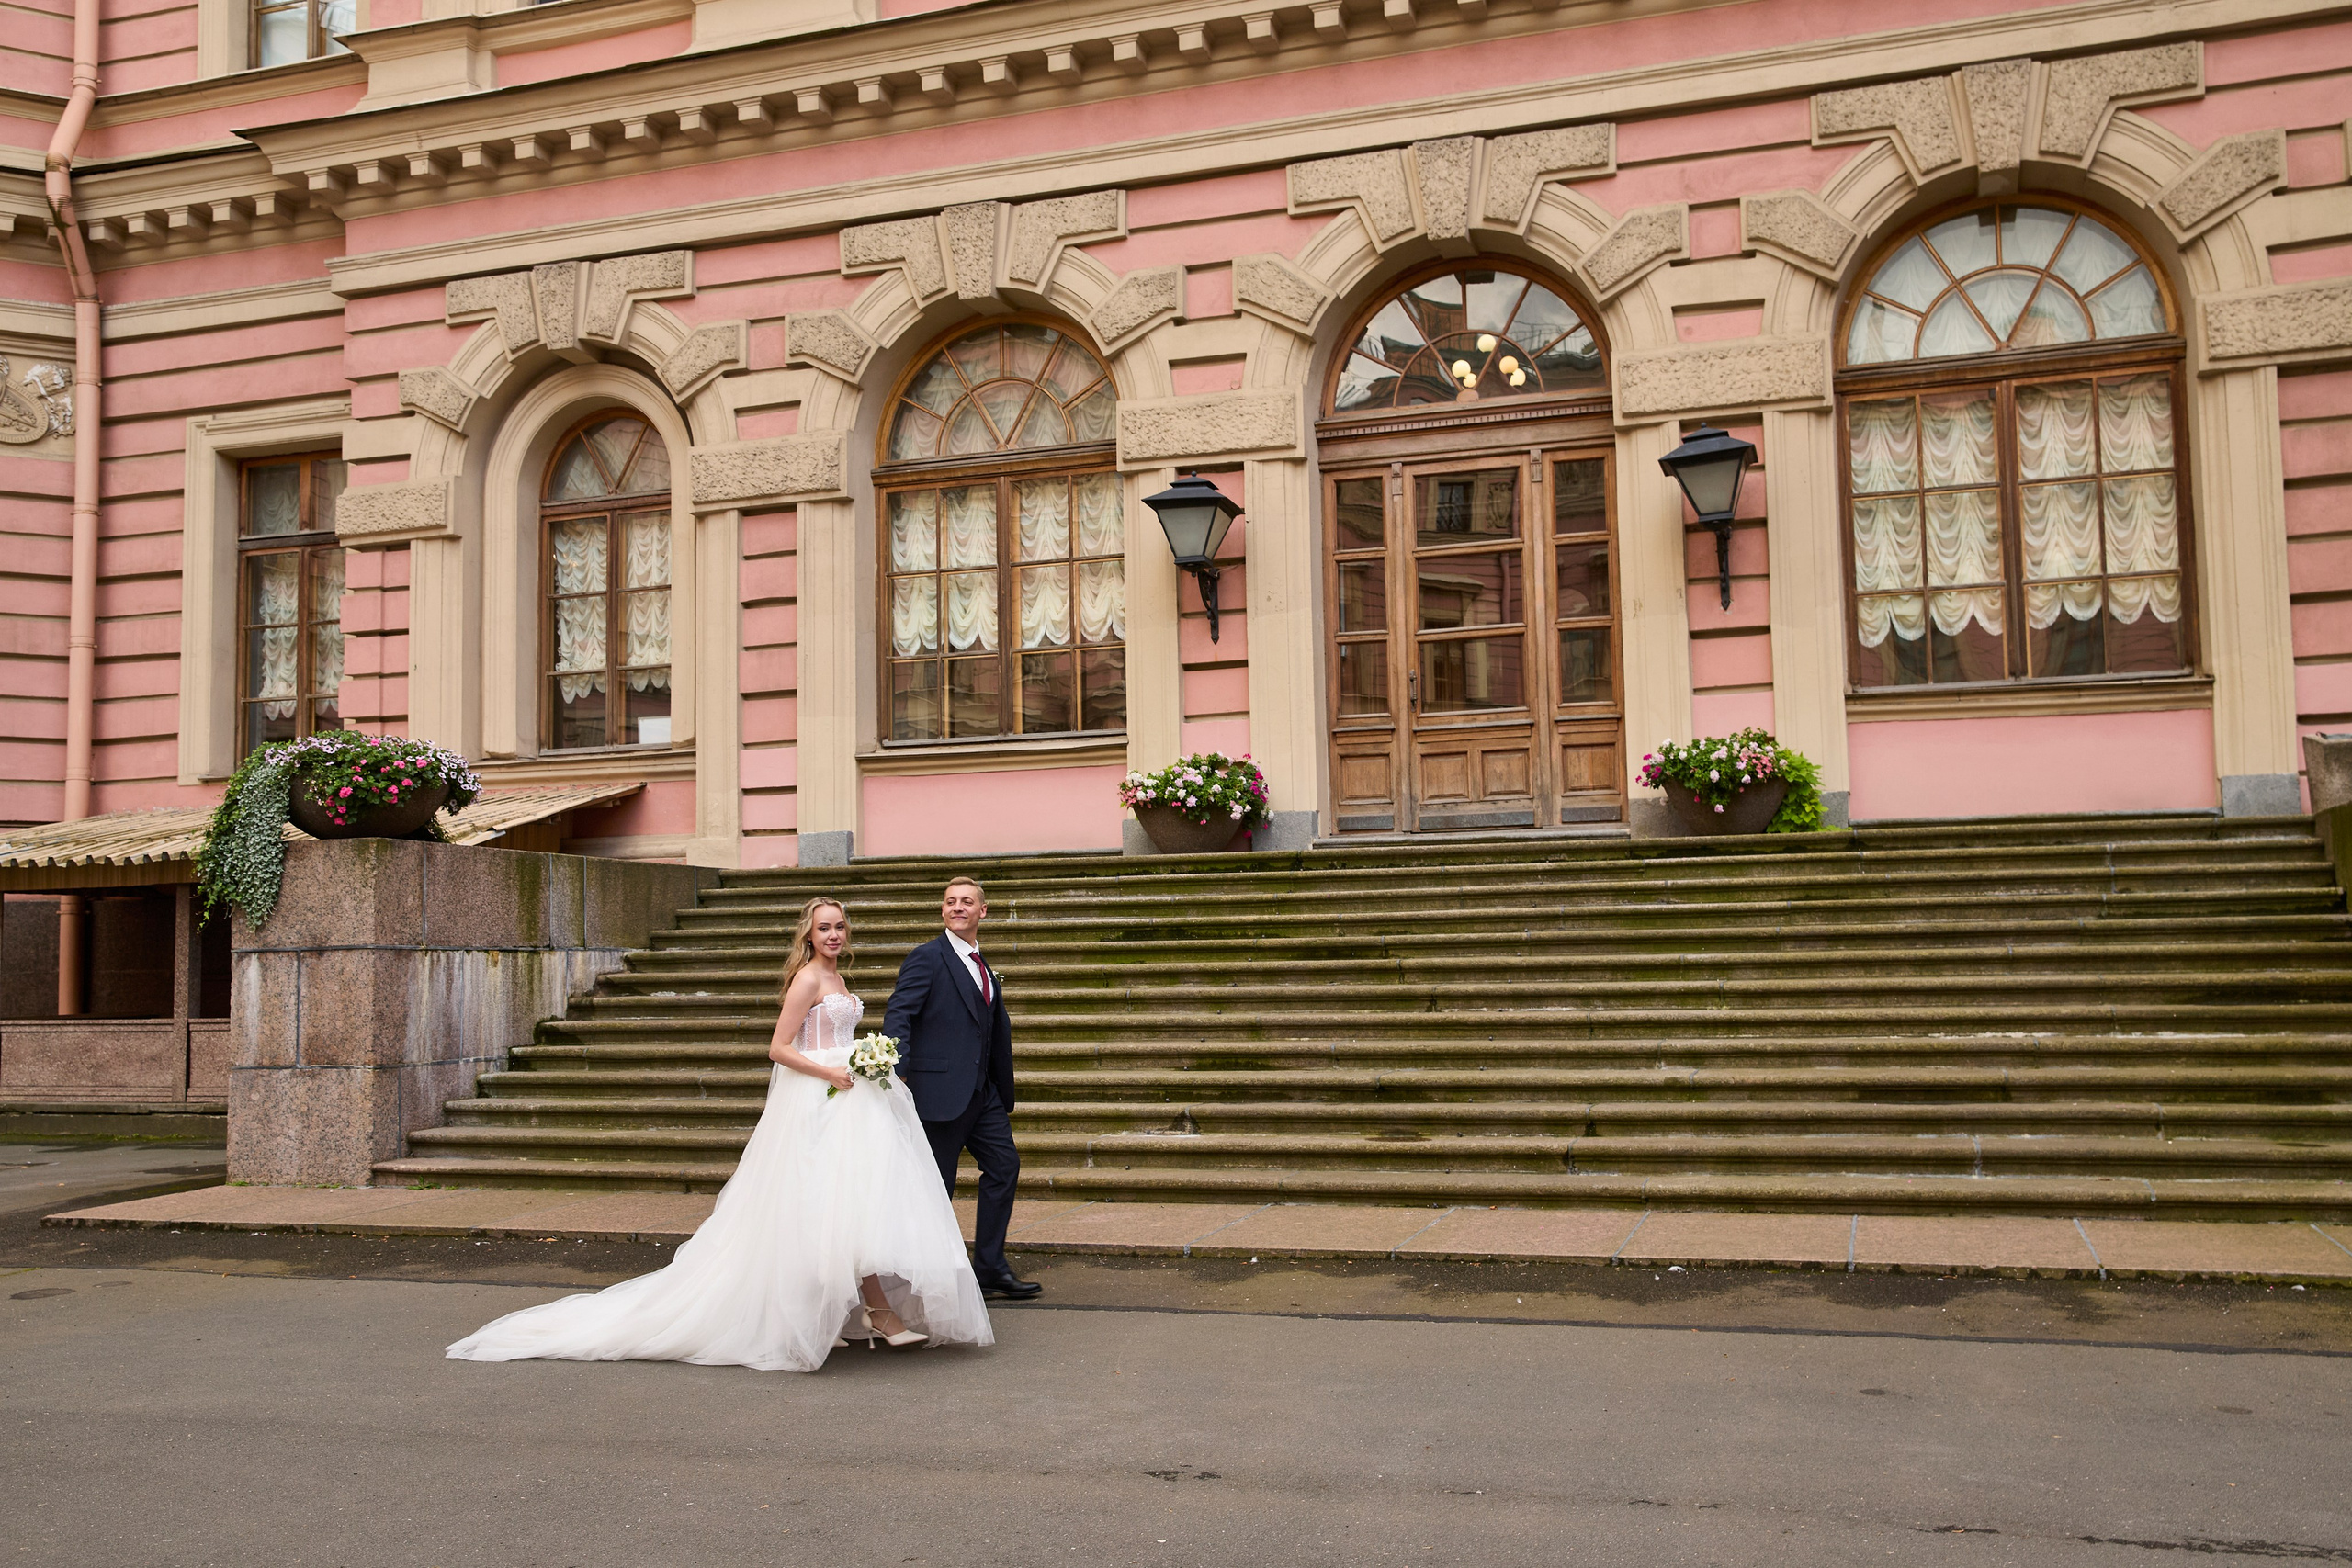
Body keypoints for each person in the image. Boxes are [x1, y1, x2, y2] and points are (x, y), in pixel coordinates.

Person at [444, 897, 991, 1372]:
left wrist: (868, 1058)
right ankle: (866, 1313)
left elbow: (835, 1035)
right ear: (808, 935)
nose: (833, 935)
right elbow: (778, 1048)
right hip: (820, 1100)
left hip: (851, 1101)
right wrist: (831, 1073)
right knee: (824, 1209)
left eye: (839, 927)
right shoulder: (806, 979)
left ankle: (859, 1312)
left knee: (851, 1209)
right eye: (823, 928)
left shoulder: (839, 979)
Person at [884, 876, 1042, 1301]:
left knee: (1004, 1167)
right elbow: (899, 1012)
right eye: (951, 901)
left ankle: (989, 1267)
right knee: (938, 1185)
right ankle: (924, 1276)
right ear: (942, 910)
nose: (958, 907)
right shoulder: (927, 957)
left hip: (983, 1093)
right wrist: (898, 1069)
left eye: (967, 901)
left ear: (982, 911)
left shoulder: (981, 963)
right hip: (938, 1092)